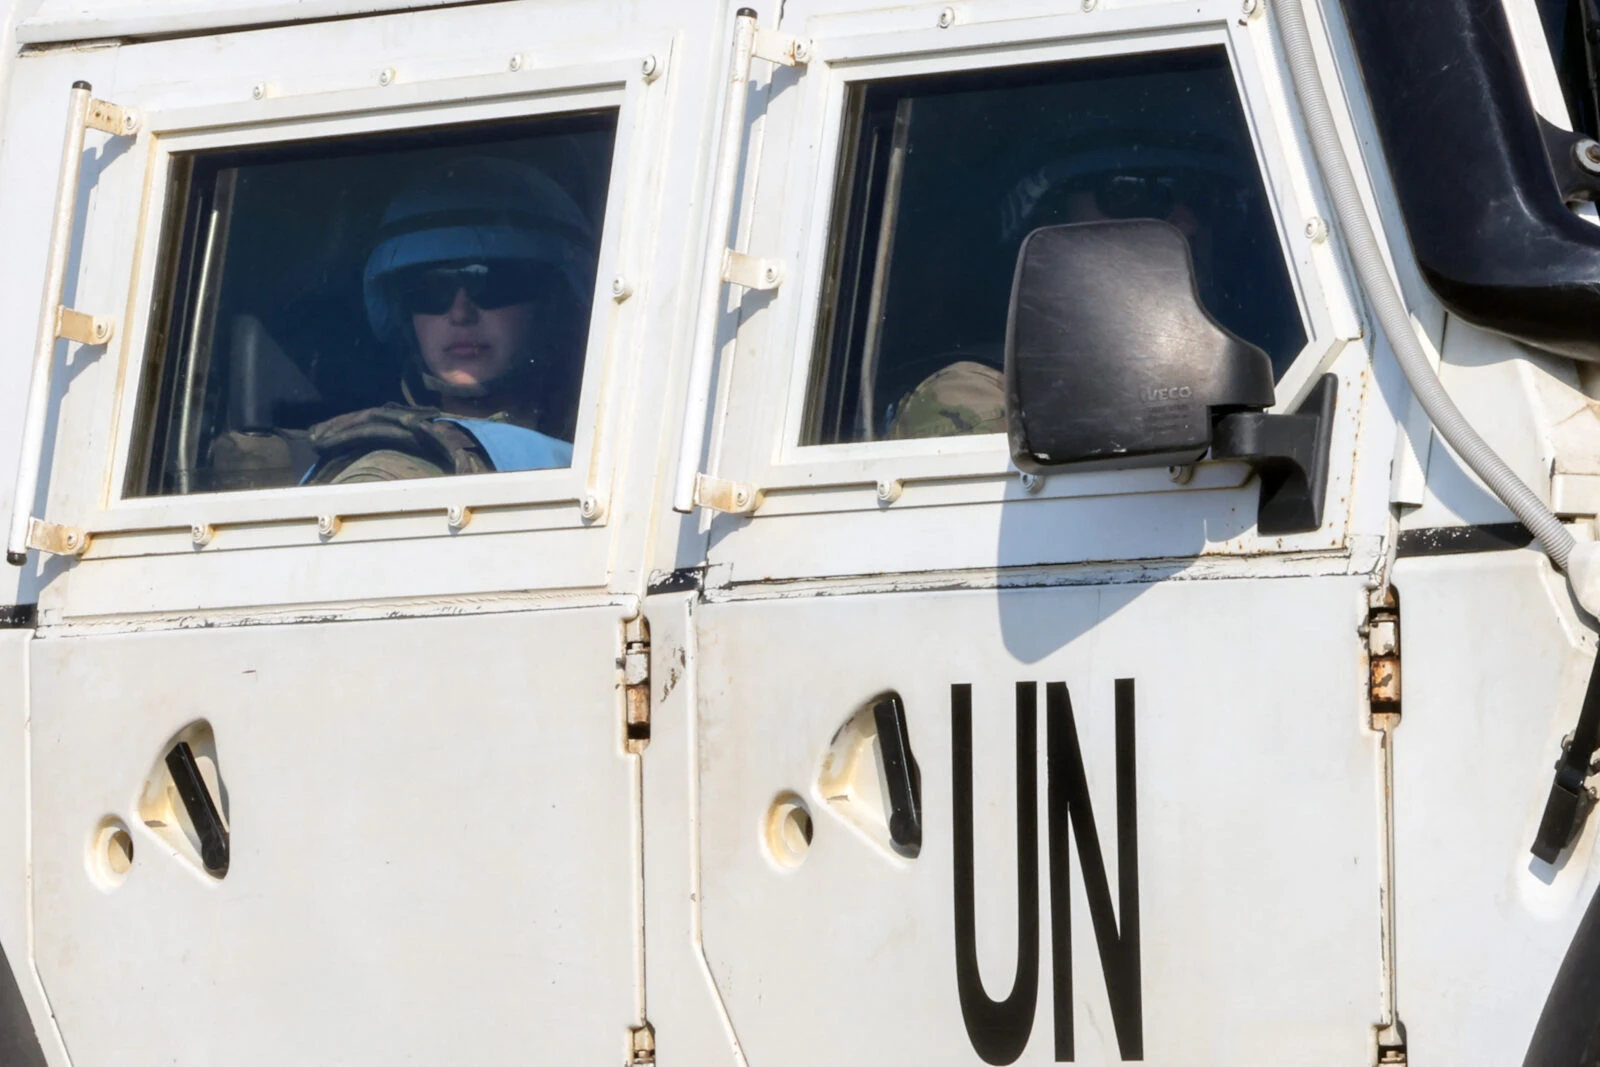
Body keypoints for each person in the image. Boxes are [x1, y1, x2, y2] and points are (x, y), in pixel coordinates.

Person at [304, 156, 597, 484]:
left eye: (492, 283)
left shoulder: (613, 453)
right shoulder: (382, 474)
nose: (460, 314)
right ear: (405, 315)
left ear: (551, 303)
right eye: (431, 290)